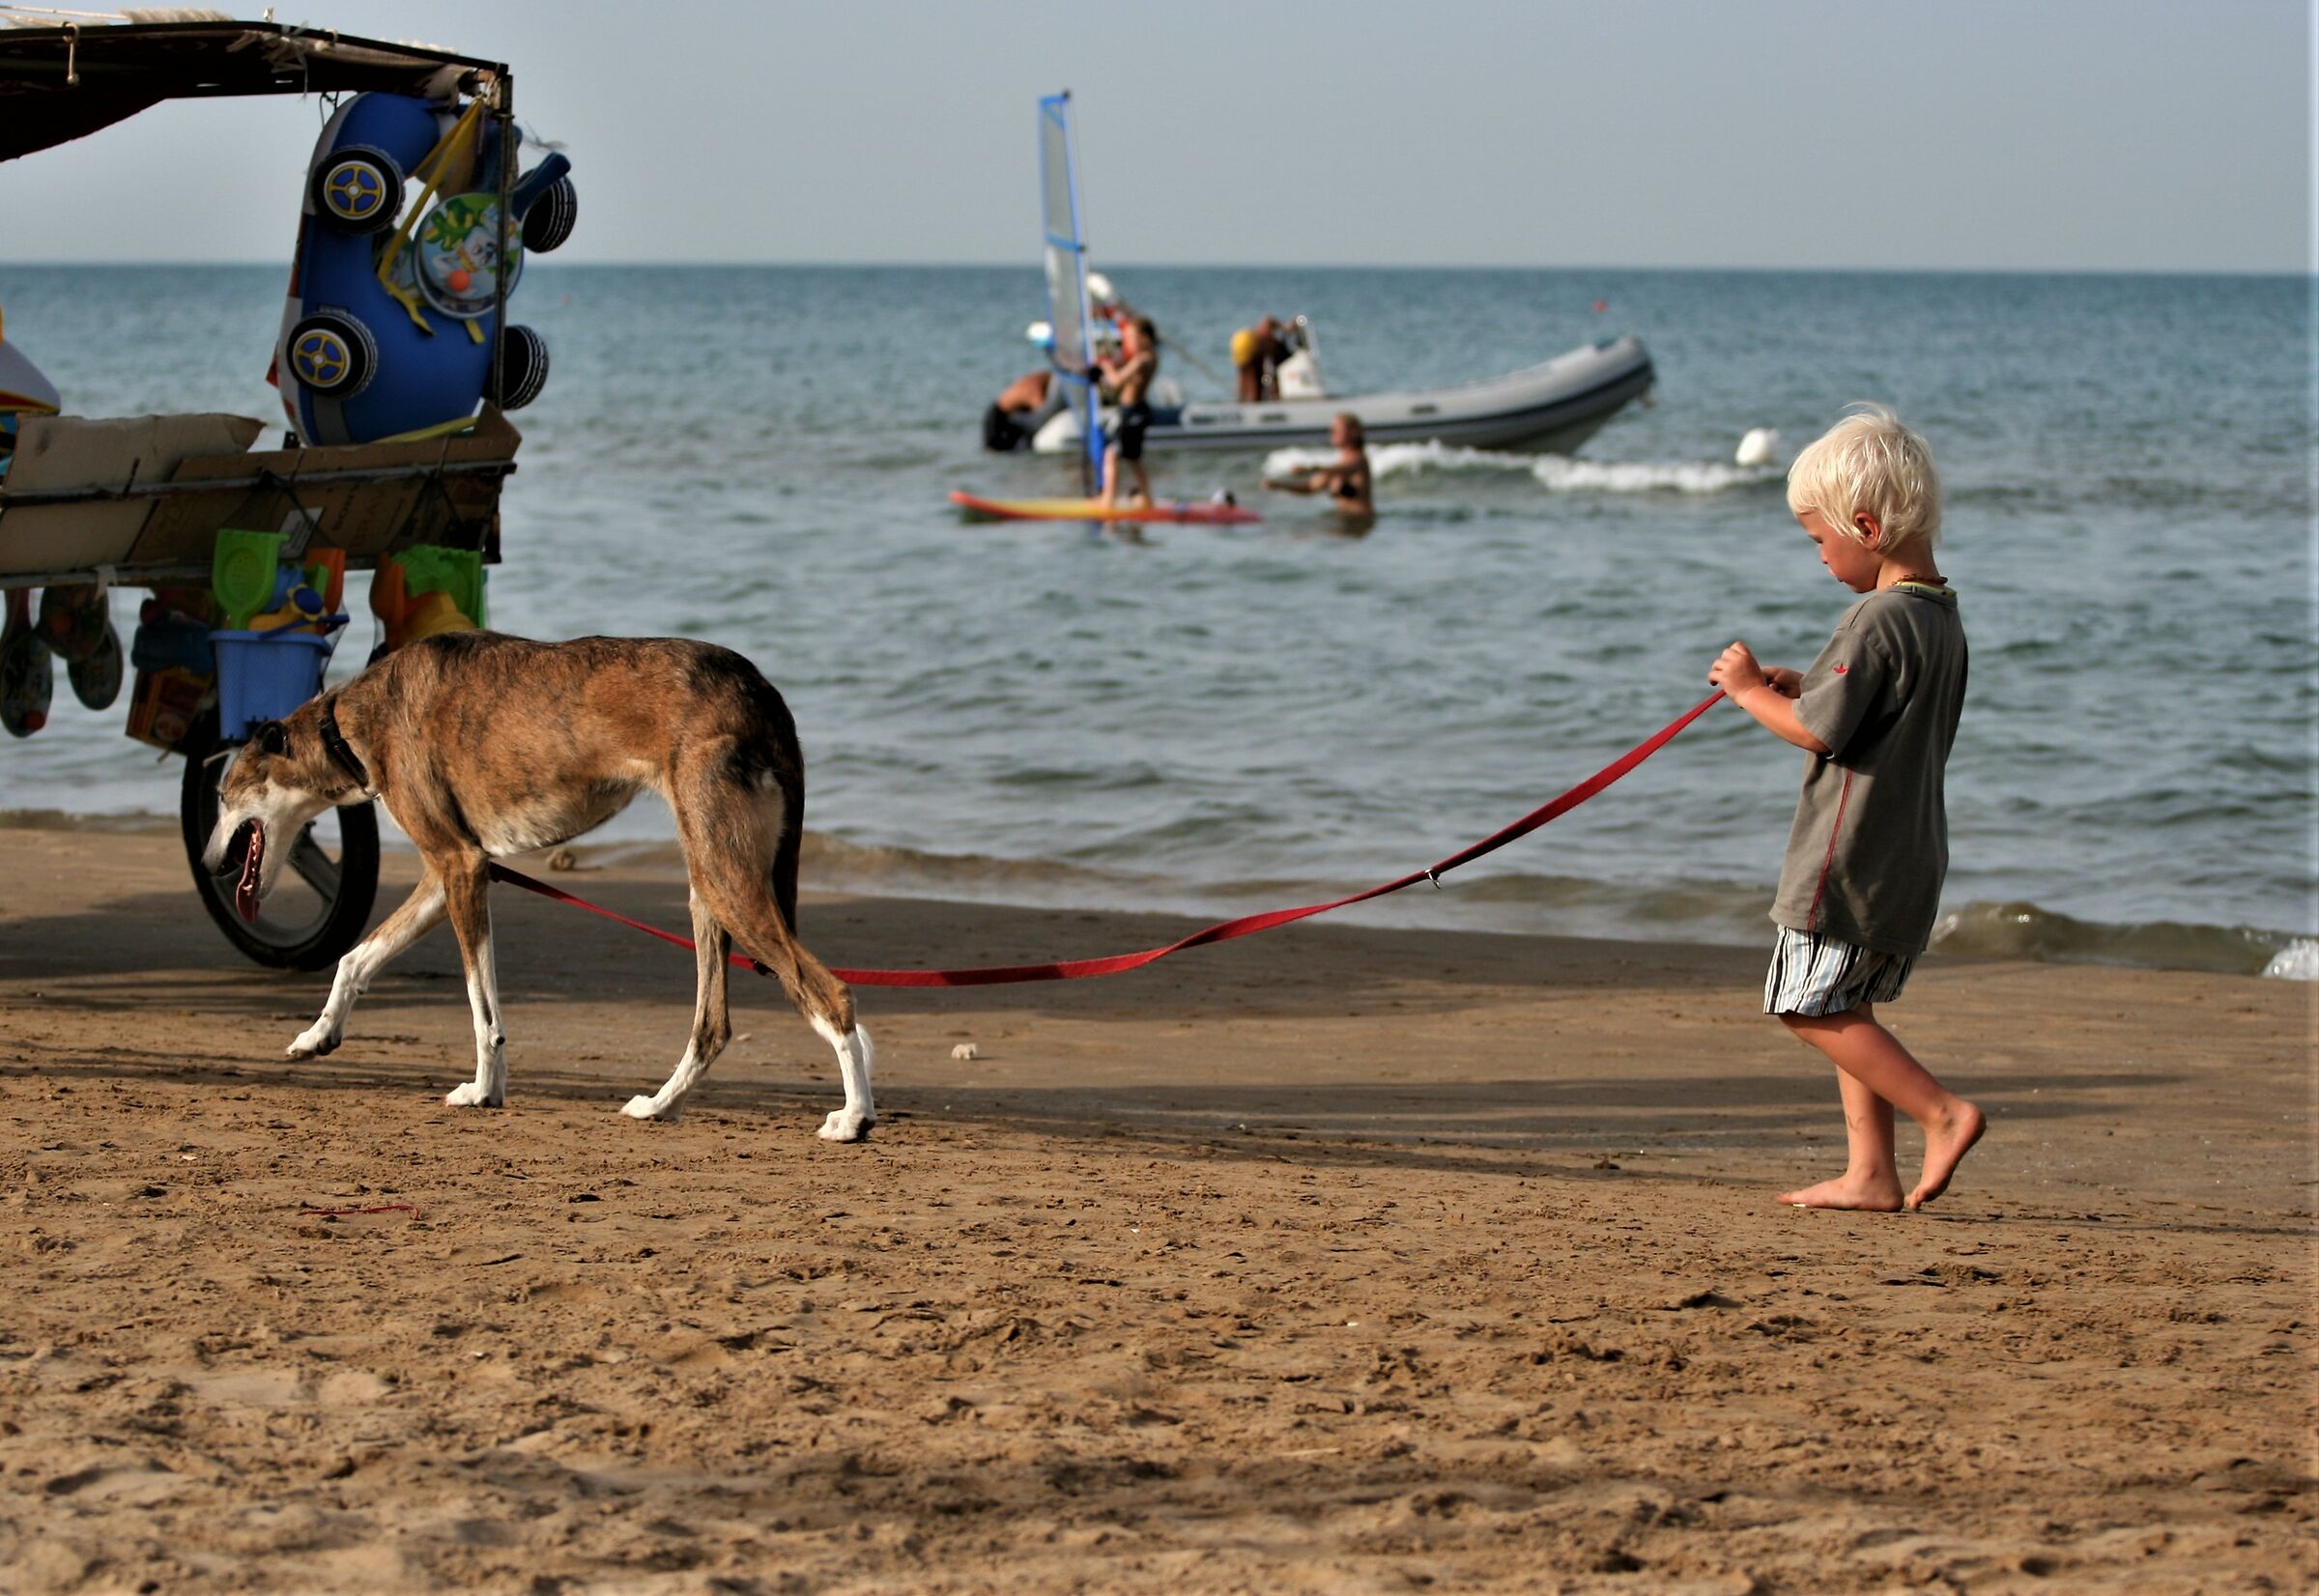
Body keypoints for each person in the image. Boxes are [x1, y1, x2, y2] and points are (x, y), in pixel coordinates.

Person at [1706, 404, 1983, 1212]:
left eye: (1820, 542)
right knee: (1845, 1000)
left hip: (1849, 852)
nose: (1821, 560)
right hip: (1909, 850)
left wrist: (1750, 690)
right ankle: (1870, 1173)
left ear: (1865, 525)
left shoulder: (1874, 616)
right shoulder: (1939, 617)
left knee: (1801, 1001)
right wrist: (1809, 682)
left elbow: (1816, 731)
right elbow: (1862, 706)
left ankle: (1942, 1111)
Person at [1094, 315, 1158, 511]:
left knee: (1111, 454)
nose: (1127, 342)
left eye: (1131, 338)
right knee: (1132, 457)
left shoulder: (1144, 358)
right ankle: (1146, 498)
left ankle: (1108, 499)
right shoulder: (1142, 358)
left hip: (1133, 412)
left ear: (1145, 338)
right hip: (1132, 411)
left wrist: (1105, 366)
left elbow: (1117, 382)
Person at [1261, 412, 1373, 518]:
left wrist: (1309, 469)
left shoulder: (1359, 460)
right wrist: (1280, 485)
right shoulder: (1340, 463)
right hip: (1345, 522)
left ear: (1354, 432)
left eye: (1336, 430)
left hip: (1361, 523)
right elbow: (1310, 488)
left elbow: (1338, 469)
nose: (1332, 433)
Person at [982, 368, 1054, 451]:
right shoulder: (1035, 388)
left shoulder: (1044, 377)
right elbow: (1042, 411)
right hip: (999, 414)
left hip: (1012, 413)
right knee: (993, 448)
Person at [1231, 315, 1290, 402]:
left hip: (1241, 340)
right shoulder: (1271, 343)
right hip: (1246, 343)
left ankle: (1242, 399)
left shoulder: (1263, 335)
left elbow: (1268, 320)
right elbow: (1273, 376)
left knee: (1245, 375)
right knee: (1254, 378)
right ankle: (1253, 402)